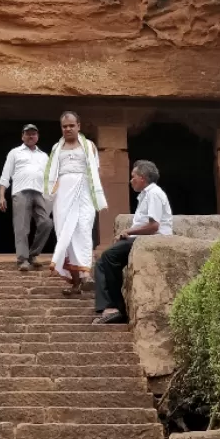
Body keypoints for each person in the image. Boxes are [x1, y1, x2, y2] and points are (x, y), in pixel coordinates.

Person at [92, 159, 173, 324]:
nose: (131, 180)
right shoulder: (145, 195)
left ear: (142, 177)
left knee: (108, 257)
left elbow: (154, 226)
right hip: (141, 239)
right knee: (102, 262)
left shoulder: (154, 194)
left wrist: (128, 231)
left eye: (133, 176)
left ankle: (115, 308)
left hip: (152, 240)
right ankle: (111, 307)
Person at [44, 111, 107, 295]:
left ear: (79, 125)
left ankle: (86, 273)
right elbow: (51, 174)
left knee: (83, 228)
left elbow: (94, 172)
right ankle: (75, 282)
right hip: (63, 194)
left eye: (72, 125)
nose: (68, 129)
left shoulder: (89, 146)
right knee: (66, 234)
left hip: (84, 191)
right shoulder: (57, 148)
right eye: (65, 126)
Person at [0, 124, 53, 272]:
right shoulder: (15, 153)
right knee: (21, 227)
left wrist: (53, 196)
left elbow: (50, 177)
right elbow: (5, 175)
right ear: (22, 136)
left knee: (46, 223)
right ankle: (23, 259)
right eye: (28, 134)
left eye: (33, 134)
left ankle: (32, 254)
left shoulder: (44, 156)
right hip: (21, 192)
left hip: (40, 192)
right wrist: (1, 196)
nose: (31, 136)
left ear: (37, 136)